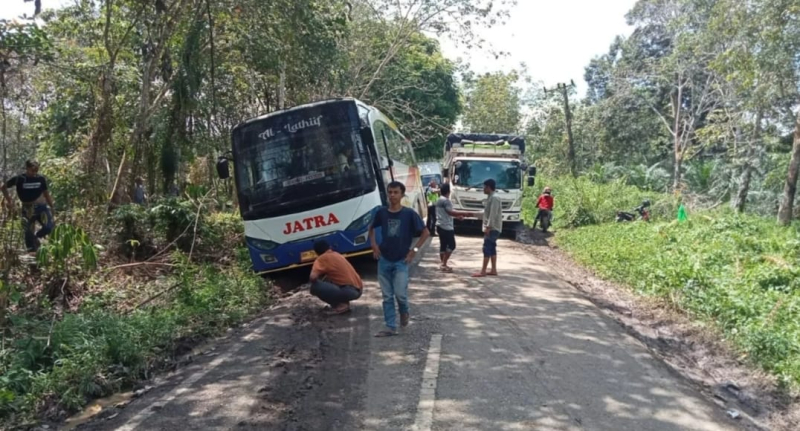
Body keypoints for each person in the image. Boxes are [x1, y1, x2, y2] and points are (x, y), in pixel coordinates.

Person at [369, 181, 429, 337]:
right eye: (390, 192)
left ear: (402, 195)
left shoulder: (409, 214)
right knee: (387, 295)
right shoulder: (381, 213)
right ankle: (390, 326)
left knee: (400, 293)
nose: (392, 195)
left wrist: (413, 251)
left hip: (402, 260)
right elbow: (370, 228)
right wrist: (374, 245)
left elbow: (425, 232)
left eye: (396, 192)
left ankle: (404, 311)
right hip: (384, 259)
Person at [1, 160, 56, 253]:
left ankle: (37, 237)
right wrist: (9, 201)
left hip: (41, 207)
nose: (34, 172)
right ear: (27, 168)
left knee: (48, 227)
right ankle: (32, 256)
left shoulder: (40, 179)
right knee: (28, 233)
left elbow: (46, 193)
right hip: (27, 208)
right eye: (32, 170)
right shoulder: (19, 179)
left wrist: (52, 206)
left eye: (36, 170)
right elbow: (3, 187)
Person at [309, 240, 363, 315]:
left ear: (316, 252)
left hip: (349, 291)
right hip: (358, 289)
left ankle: (341, 305)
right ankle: (343, 303)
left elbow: (312, 277)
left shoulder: (322, 259)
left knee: (315, 286)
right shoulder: (337, 254)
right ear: (329, 247)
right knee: (328, 279)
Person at [435, 183, 473, 272]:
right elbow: (450, 212)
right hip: (446, 227)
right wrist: (464, 213)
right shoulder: (446, 201)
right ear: (449, 191)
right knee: (452, 245)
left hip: (440, 225)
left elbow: (447, 213)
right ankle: (444, 263)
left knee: (443, 245)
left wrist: (457, 216)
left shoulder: (439, 200)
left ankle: (443, 264)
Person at [472, 178, 502, 278]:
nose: (483, 189)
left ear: (489, 187)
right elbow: (487, 213)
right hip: (492, 227)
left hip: (493, 228)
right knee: (492, 248)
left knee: (487, 248)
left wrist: (488, 227)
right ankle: (493, 269)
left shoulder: (494, 198)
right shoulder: (490, 197)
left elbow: (493, 214)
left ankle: (483, 271)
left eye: (484, 187)